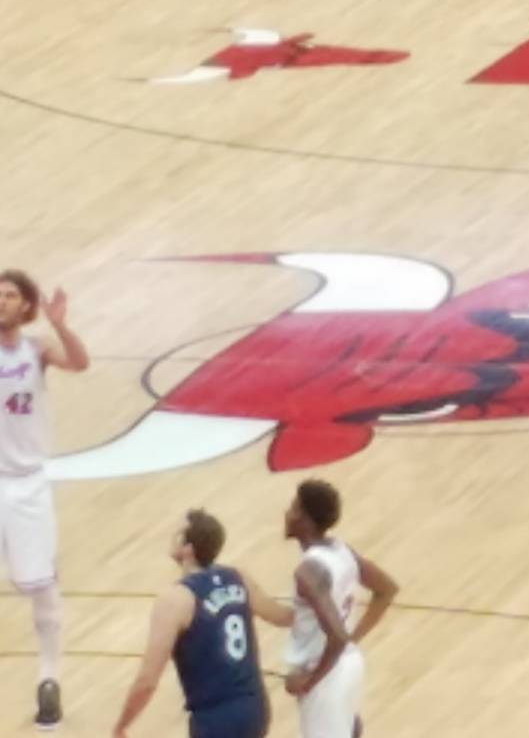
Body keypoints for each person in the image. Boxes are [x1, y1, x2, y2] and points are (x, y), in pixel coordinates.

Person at [0, 269, 86, 733]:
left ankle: (49, 680)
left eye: (10, 295)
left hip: (27, 483)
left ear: (26, 305)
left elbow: (81, 362)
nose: (1, 301)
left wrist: (61, 325)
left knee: (42, 588)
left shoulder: (37, 350)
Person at [110, 509, 267, 738]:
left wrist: (121, 725)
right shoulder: (236, 578)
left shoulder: (176, 599)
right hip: (255, 708)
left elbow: (147, 681)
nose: (171, 536)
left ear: (188, 550)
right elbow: (279, 615)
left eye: (177, 534)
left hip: (216, 719)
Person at [256, 480, 395, 738]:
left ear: (307, 520)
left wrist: (309, 680)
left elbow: (337, 637)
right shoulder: (341, 550)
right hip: (345, 663)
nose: (287, 514)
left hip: (326, 672)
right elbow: (386, 590)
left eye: (294, 508)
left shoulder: (309, 572)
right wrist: (353, 639)